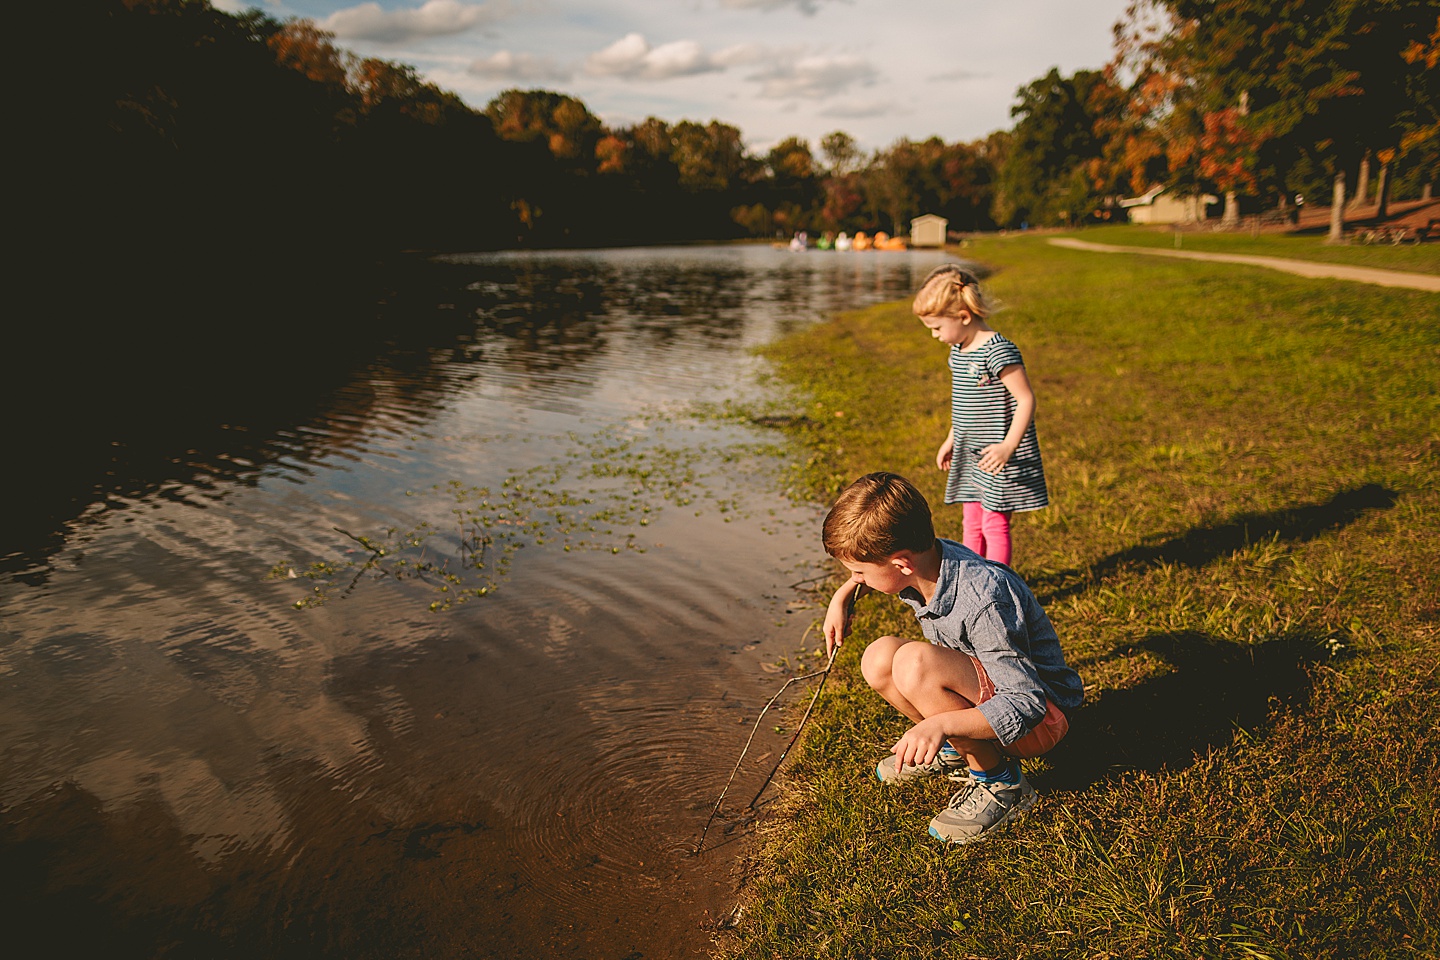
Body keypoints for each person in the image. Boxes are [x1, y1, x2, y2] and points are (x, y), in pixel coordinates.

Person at [821, 472, 1082, 845]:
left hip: (1042, 721)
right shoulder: (930, 558)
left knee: (914, 663)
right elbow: (881, 570)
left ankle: (1003, 786)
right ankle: (957, 750)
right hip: (991, 699)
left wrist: (942, 723)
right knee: (878, 657)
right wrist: (844, 594)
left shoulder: (984, 600)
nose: (855, 577)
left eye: (858, 571)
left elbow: (1027, 703)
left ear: (901, 565)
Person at [914, 264, 1047, 566]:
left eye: (936, 327)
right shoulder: (958, 351)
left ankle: (999, 583)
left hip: (998, 455)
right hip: (971, 451)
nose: (934, 335)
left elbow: (1026, 400)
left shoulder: (998, 351)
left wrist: (1007, 447)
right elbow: (963, 404)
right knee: (971, 524)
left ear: (963, 317)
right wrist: (951, 438)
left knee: (994, 525)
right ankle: (974, 580)